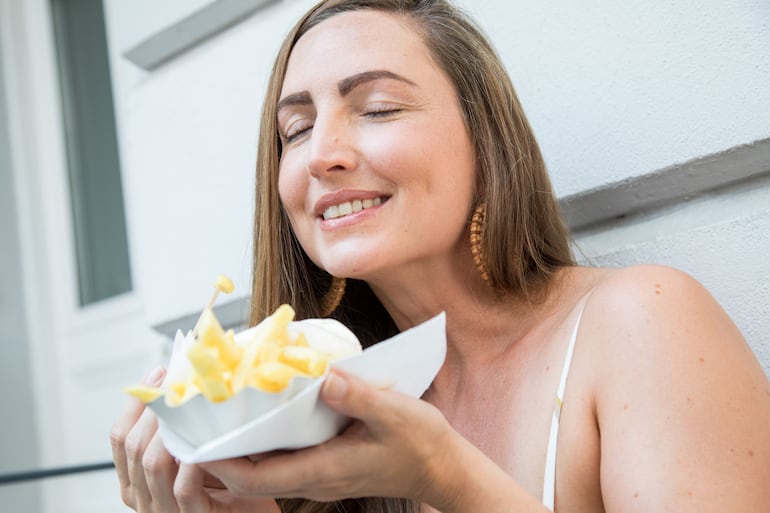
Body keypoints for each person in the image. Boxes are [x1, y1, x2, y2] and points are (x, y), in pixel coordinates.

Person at [110, 0, 770, 512]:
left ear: (483, 140)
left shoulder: (640, 321)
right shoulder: (306, 412)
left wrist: (445, 474)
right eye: (297, 129)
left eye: (377, 107)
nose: (322, 153)